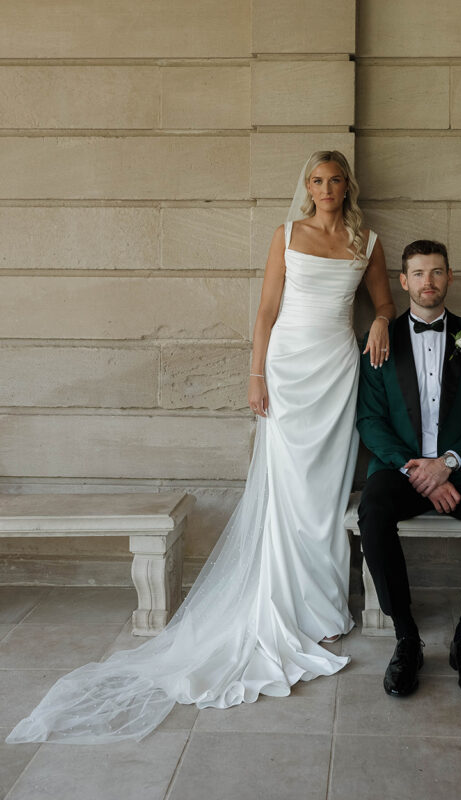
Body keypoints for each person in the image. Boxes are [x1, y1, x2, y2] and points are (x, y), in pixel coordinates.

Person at [7, 150, 394, 744]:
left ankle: (322, 611)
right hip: (289, 370)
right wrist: (256, 374)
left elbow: (383, 299)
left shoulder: (366, 241)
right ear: (306, 187)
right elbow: (266, 311)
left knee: (325, 494)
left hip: (338, 372)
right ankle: (289, 609)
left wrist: (382, 319)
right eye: (316, 181)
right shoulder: (286, 234)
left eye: (334, 181)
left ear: (348, 185)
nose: (325, 190)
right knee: (288, 491)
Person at [356, 239, 461, 702]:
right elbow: (369, 418)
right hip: (402, 468)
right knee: (373, 511)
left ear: (450, 277)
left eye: (438, 272)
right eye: (419, 274)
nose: (429, 282)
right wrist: (416, 472)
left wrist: (447, 464)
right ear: (404, 282)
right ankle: (406, 638)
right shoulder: (379, 341)